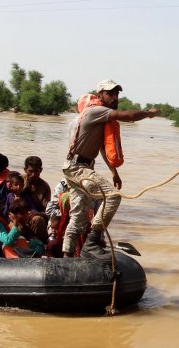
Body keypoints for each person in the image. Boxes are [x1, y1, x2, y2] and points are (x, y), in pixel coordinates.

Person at [62, 79, 159, 258]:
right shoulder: (96, 111)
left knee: (79, 218)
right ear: (100, 96)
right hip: (77, 168)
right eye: (110, 93)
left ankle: (67, 256)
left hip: (77, 167)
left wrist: (115, 173)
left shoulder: (99, 118)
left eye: (116, 94)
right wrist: (148, 113)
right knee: (113, 196)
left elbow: (103, 149)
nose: (114, 97)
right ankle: (93, 240)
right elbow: (127, 116)